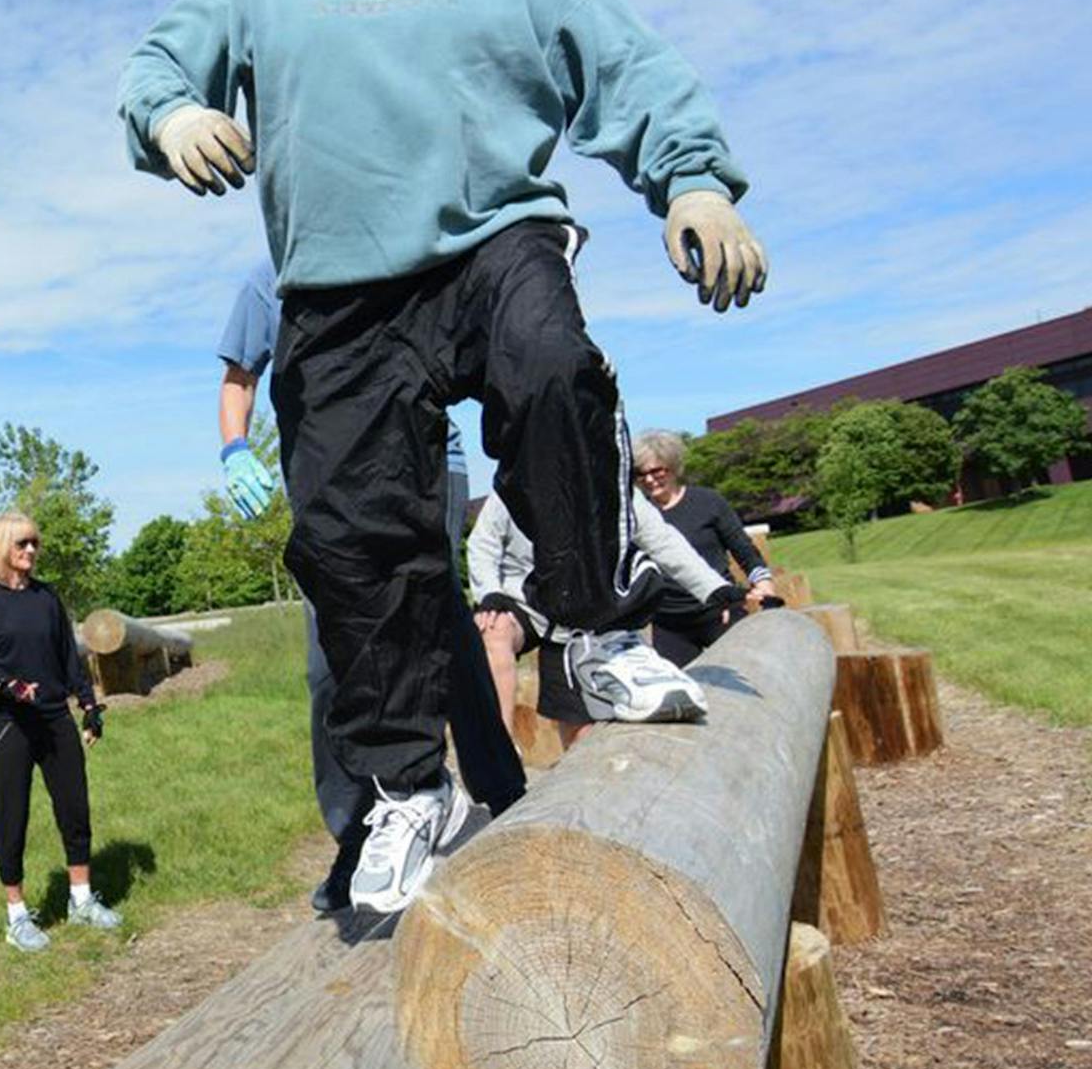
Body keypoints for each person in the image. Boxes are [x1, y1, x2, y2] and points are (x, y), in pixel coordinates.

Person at [119, 0, 767, 913]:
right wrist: (168, 119)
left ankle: (592, 637)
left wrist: (694, 180)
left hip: (490, 243)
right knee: (354, 540)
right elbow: (158, 65)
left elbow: (622, 66)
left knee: (554, 368)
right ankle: (410, 788)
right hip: (337, 292)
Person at [218, 260, 523, 913]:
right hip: (327, 481)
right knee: (331, 660)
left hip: (424, 460)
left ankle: (500, 791)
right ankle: (357, 832)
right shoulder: (266, 279)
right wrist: (234, 448)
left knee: (435, 622)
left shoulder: (388, 243)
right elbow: (238, 378)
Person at [0, 511, 119, 951]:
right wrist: (4, 685)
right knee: (12, 817)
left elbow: (70, 659)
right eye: (21, 543)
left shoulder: (47, 599)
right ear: (1, 548)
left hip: (53, 720)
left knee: (74, 807)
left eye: (34, 543)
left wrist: (89, 706)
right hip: (9, 726)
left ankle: (81, 900)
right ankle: (17, 917)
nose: (30, 550)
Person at [469, 488, 744, 745]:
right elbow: (483, 543)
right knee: (493, 628)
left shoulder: (615, 478)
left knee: (582, 730)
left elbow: (660, 539)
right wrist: (489, 593)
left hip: (584, 607)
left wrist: (712, 587)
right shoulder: (514, 480)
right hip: (523, 598)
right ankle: (500, 745)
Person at [631, 429, 779, 666]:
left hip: (719, 612)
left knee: (747, 673)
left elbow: (743, 550)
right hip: (670, 623)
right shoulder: (636, 520)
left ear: (673, 467)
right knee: (683, 694)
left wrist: (763, 583)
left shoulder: (708, 502)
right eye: (640, 474)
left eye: (657, 471)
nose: (649, 480)